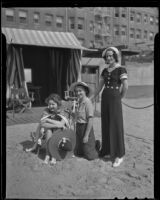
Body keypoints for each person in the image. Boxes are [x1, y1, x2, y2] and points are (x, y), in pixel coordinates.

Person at [90, 46, 128, 167]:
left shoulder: (121, 69)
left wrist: (119, 97)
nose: (109, 57)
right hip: (105, 98)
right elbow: (99, 87)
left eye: (111, 55)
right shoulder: (105, 71)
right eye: (107, 56)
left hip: (115, 98)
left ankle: (119, 155)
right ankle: (106, 150)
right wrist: (91, 98)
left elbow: (125, 86)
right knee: (106, 124)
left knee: (116, 125)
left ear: (115, 57)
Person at [26, 93, 69, 165]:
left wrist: (49, 120)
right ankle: (48, 155)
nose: (50, 106)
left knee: (55, 130)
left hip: (61, 133)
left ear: (58, 104)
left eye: (53, 104)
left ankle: (53, 155)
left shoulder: (63, 111)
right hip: (49, 131)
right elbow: (42, 123)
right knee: (49, 131)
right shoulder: (46, 110)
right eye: (49, 104)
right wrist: (55, 124)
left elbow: (61, 124)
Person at [69, 81, 99, 160]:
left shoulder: (87, 102)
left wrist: (86, 135)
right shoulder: (79, 101)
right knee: (79, 152)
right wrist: (72, 113)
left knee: (90, 156)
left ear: (85, 91)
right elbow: (77, 116)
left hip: (86, 127)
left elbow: (90, 120)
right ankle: (91, 144)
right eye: (76, 91)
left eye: (80, 91)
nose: (78, 93)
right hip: (79, 127)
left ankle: (97, 144)